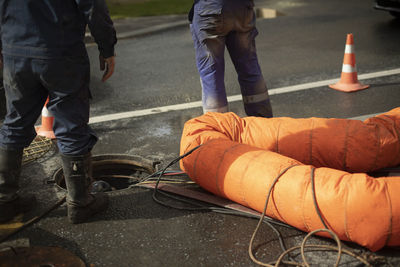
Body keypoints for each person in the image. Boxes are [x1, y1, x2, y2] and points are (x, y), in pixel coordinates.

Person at [0, 0, 117, 224]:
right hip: (60, 52)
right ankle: (81, 203)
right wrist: (107, 48)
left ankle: (5, 200)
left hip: (15, 52)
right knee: (71, 125)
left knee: (14, 123)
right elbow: (94, 7)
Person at [189, 0, 273, 117]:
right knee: (249, 68)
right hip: (241, 8)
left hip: (210, 9)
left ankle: (219, 128)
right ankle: (263, 124)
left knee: (212, 74)